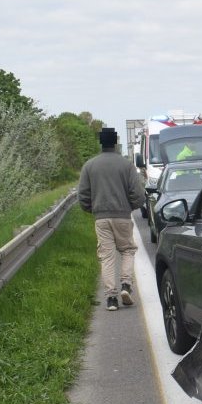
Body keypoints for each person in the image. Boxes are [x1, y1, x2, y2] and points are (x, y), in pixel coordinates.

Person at [78, 127, 145, 311]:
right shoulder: (126, 165)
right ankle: (125, 285)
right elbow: (138, 193)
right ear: (115, 142)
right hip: (122, 216)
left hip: (101, 218)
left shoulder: (89, 166)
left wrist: (93, 209)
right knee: (128, 250)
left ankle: (111, 299)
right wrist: (131, 206)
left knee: (106, 257)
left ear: (101, 142)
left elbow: (83, 195)